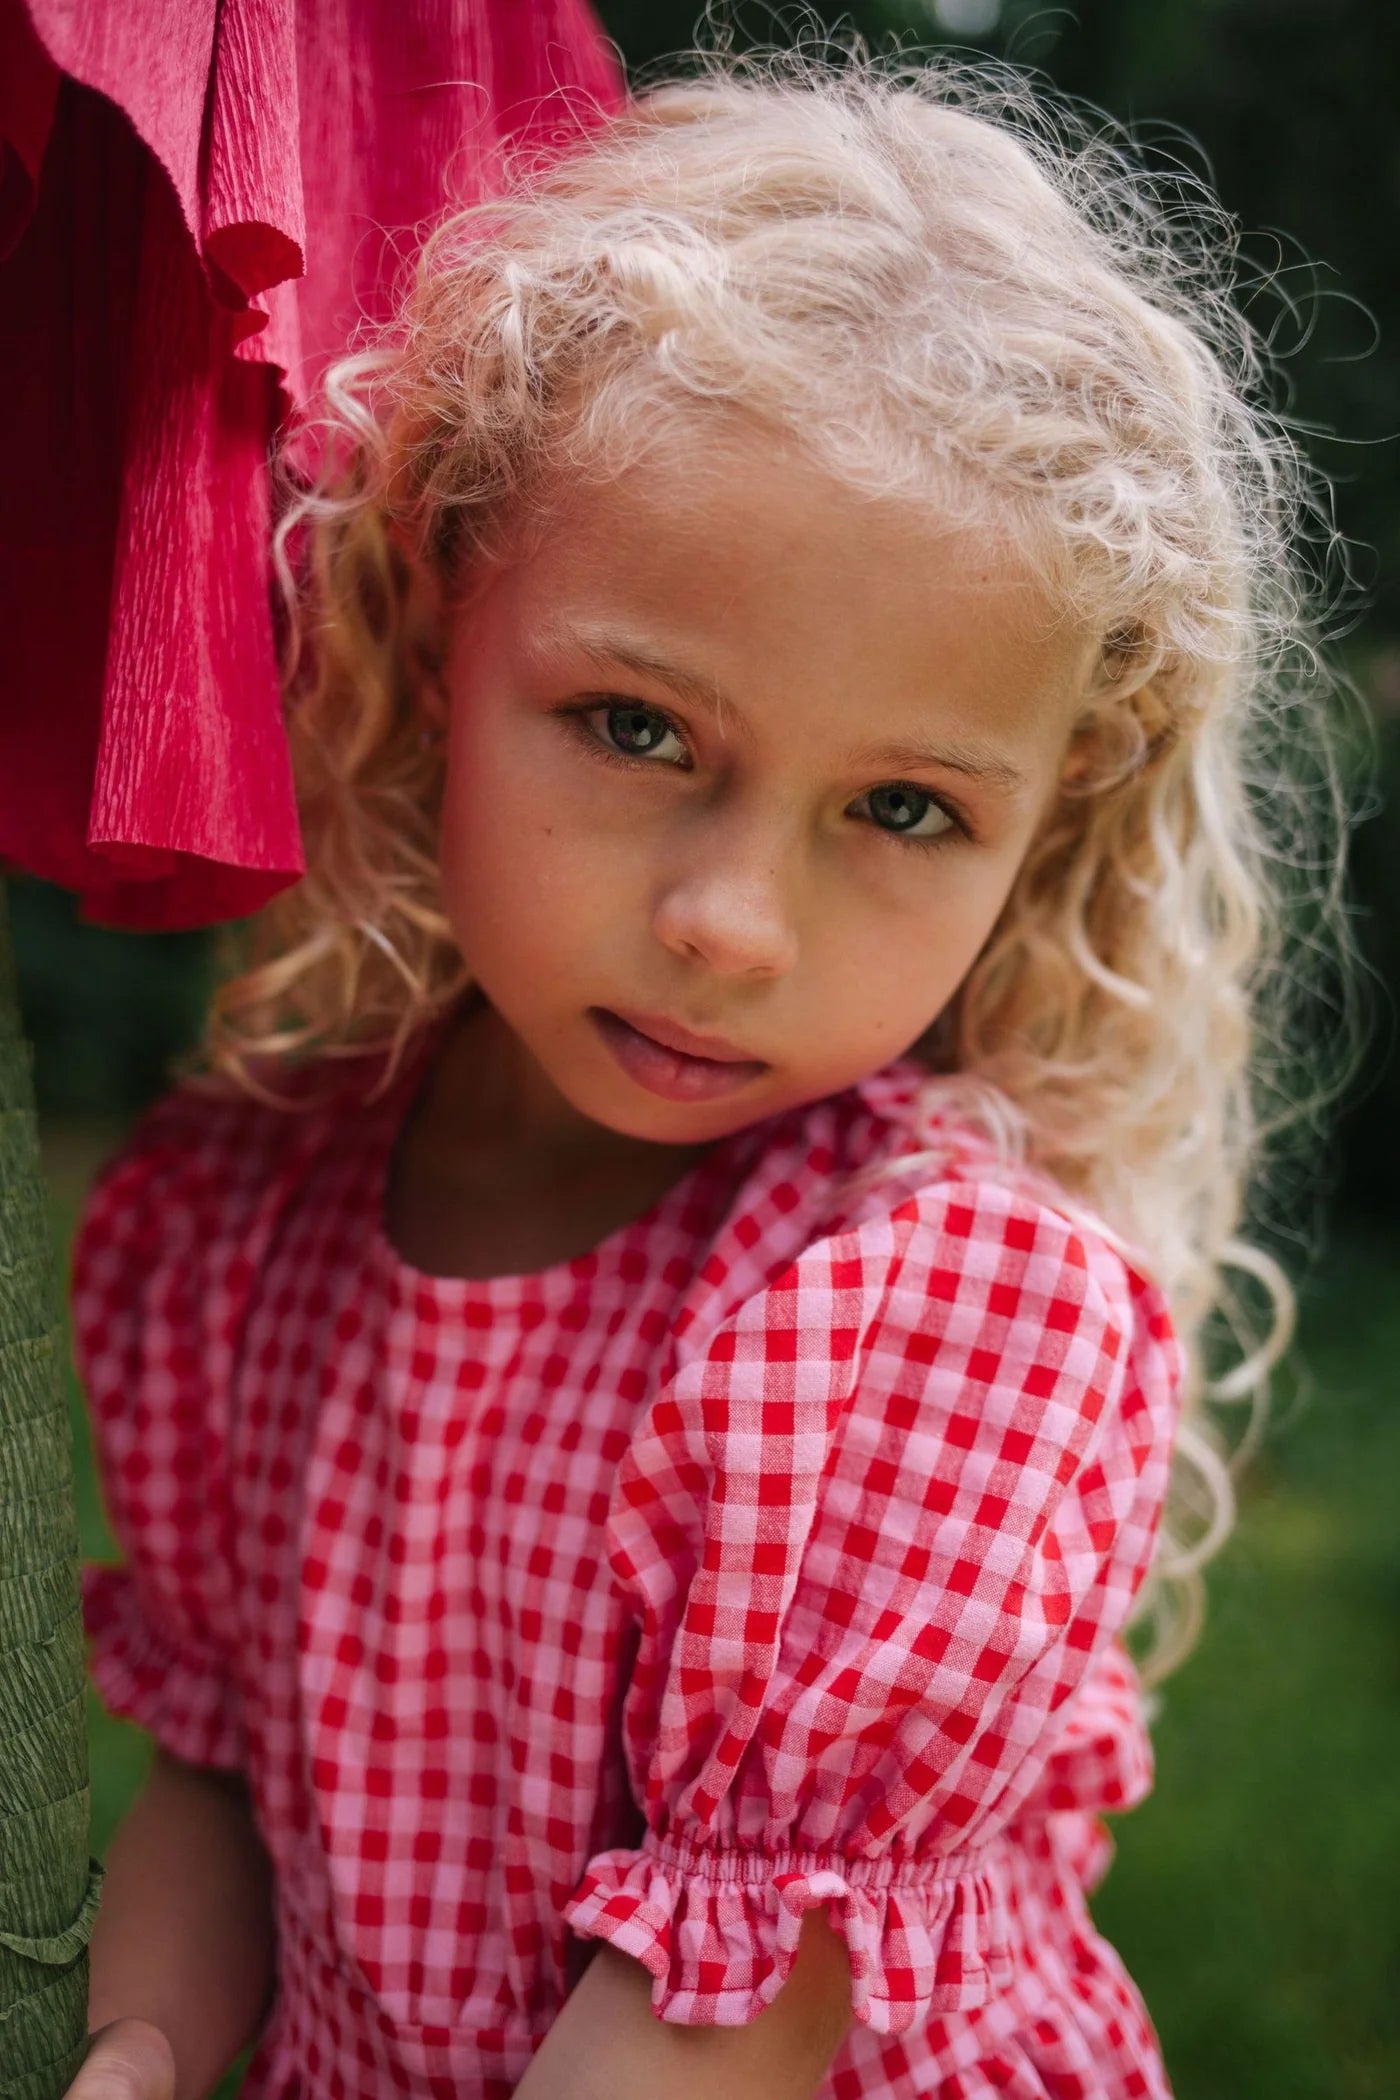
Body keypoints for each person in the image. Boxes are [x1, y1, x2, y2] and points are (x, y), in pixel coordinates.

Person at [64, 46, 1344, 2100]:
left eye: (905, 810)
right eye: (640, 731)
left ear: (1046, 829)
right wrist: (130, 2059)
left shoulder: (930, 1319)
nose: (734, 924)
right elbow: (214, 1797)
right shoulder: (231, 1232)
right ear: (438, 613)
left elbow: (708, 2033)